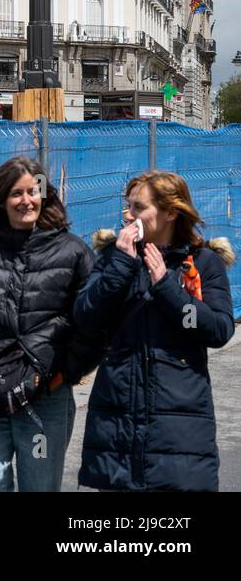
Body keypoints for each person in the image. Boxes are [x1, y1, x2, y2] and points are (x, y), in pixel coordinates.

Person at [0, 156, 101, 492]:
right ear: (1, 199)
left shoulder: (72, 250)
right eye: (16, 193)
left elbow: (92, 320)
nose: (26, 200)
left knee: (39, 486)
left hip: (45, 397)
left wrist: (65, 372)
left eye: (33, 191)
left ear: (44, 195)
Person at [75, 171, 235, 491]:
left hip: (180, 425)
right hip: (116, 423)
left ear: (171, 212)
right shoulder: (114, 258)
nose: (128, 215)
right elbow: (86, 318)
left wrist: (167, 288)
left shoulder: (202, 262)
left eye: (138, 207)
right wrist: (120, 265)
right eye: (127, 206)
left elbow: (218, 331)